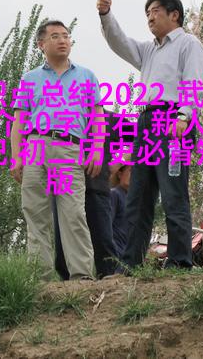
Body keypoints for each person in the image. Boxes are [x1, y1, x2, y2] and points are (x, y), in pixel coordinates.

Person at [97, 0, 203, 270]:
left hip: (173, 121)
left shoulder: (189, 44)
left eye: (156, 11)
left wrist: (184, 116)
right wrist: (106, 14)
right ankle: (130, 263)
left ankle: (179, 261)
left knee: (173, 194)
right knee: (138, 196)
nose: (150, 17)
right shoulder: (149, 50)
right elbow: (119, 42)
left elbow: (195, 82)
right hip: (146, 123)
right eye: (147, 13)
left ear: (175, 15)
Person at [10, 20, 104, 280]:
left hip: (69, 147)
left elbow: (98, 116)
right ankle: (39, 279)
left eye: (65, 35)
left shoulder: (86, 76)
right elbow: (19, 122)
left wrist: (97, 149)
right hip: (35, 146)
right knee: (35, 213)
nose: (63, 40)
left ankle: (81, 276)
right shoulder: (30, 78)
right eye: (55, 36)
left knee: (73, 213)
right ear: (41, 44)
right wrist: (16, 156)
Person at [52, 110, 133, 279]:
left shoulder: (110, 119)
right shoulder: (62, 116)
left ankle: (110, 284)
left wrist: (120, 161)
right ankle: (68, 287)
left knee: (103, 245)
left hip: (96, 188)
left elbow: (143, 138)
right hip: (63, 187)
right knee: (62, 248)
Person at [109, 159, 132, 259]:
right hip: (117, 253)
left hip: (128, 253)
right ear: (120, 174)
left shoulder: (134, 199)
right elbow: (107, 224)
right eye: (131, 171)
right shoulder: (115, 194)